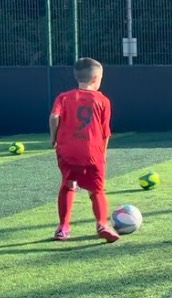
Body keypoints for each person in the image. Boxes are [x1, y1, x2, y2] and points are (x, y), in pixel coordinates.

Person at [49, 57, 120, 242]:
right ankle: (103, 224)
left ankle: (63, 228)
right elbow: (105, 133)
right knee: (96, 190)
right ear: (97, 79)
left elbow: (54, 117)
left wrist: (53, 138)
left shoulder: (64, 97)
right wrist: (102, 155)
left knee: (68, 185)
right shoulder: (103, 100)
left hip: (67, 151)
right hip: (92, 152)